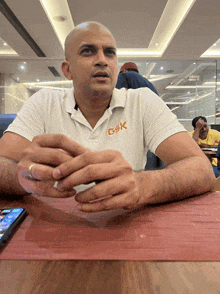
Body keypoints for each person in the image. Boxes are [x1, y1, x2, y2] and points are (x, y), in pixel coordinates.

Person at [0, 21, 215, 213]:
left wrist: (141, 185)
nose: (102, 60)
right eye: (88, 51)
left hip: (125, 223)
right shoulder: (44, 102)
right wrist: (21, 178)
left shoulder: (142, 101)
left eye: (110, 52)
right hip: (52, 224)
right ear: (67, 70)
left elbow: (202, 170)